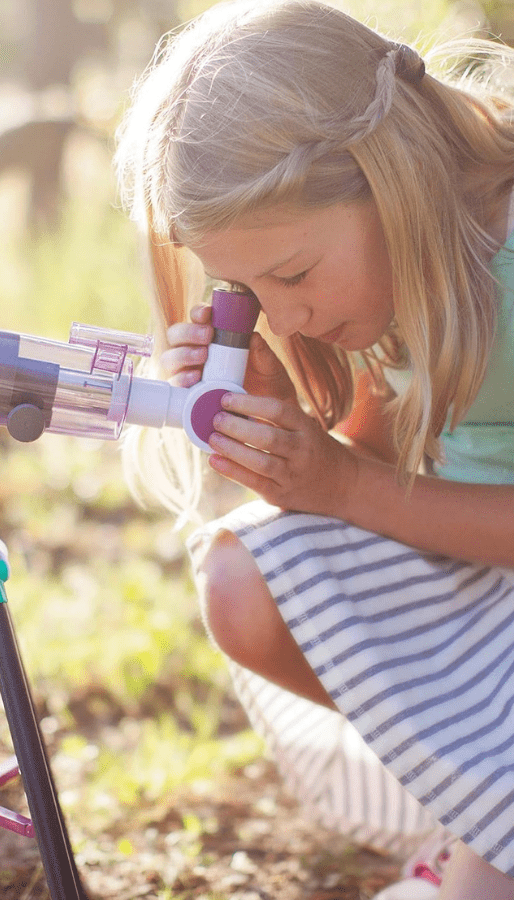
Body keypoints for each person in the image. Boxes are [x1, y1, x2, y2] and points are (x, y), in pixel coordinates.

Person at [114, 1, 514, 897]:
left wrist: (338, 484)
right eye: (244, 286)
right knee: (246, 582)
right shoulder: (397, 272)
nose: (283, 315)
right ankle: (476, 805)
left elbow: (361, 489)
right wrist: (280, 423)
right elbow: (373, 462)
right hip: (486, 585)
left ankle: (478, 832)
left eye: (291, 275)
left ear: (394, 180)